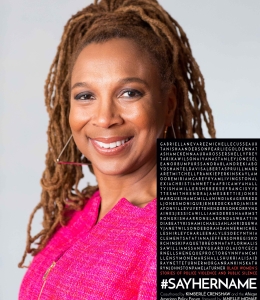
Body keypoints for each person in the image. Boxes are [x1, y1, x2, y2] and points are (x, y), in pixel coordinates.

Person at [18, 0, 216, 298]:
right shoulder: (75, 213)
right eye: (85, 96)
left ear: (169, 106)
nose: (104, 118)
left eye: (129, 92)